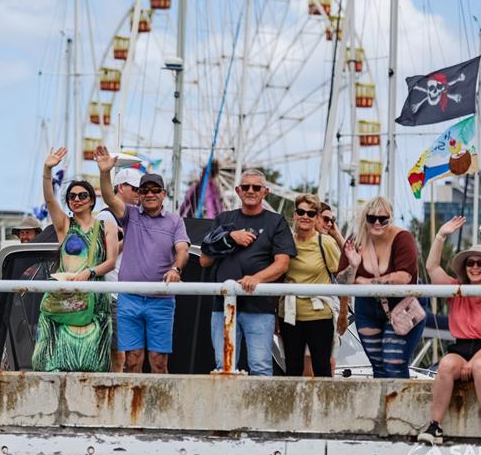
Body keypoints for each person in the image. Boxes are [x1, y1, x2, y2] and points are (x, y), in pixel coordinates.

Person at [95, 145, 190, 374]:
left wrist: (176, 269)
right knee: (132, 361)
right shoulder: (130, 215)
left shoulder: (175, 221)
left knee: (159, 362)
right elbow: (109, 196)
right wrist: (105, 172)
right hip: (130, 298)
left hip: (161, 300)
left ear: (163, 194)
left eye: (155, 189)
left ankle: (159, 409)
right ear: (139, 194)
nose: (149, 194)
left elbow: (182, 250)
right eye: (144, 190)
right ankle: (129, 408)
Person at [418, 216, 481, 447]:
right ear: (465, 267)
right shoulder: (454, 289)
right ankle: (435, 425)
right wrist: (440, 236)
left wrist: (476, 360)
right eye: (471, 263)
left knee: (480, 367)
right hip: (460, 348)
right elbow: (432, 267)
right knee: (446, 365)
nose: (476, 267)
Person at [200, 169, 295, 375]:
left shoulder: (276, 222)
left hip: (259, 307)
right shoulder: (223, 219)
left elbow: (282, 264)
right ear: (237, 190)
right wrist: (229, 237)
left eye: (256, 187)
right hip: (223, 305)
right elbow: (204, 260)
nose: (250, 191)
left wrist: (256, 279)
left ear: (265, 192)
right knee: (224, 367)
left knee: (260, 367)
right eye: (246, 187)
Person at [31, 147, 117, 372]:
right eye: (72, 197)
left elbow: (111, 262)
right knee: (58, 359)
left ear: (91, 201)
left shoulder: (106, 225)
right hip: (65, 297)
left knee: (92, 361)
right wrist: (47, 170)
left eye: (82, 196)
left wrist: (89, 272)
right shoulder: (65, 225)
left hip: (94, 299)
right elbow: (49, 200)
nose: (76, 199)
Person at [336, 196, 423, 378]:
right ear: (364, 218)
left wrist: (368, 282)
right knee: (378, 367)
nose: (377, 223)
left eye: (383, 219)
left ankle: (398, 406)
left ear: (390, 218)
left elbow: (404, 277)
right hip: (366, 308)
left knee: (394, 364)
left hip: (401, 306)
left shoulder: (402, 238)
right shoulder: (355, 241)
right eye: (371, 218)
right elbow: (343, 282)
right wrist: (353, 265)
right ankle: (383, 406)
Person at [278, 194, 344, 377]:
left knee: (322, 368)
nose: (305, 216)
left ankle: (323, 407)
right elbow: (278, 276)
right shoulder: (285, 241)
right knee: (292, 369)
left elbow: (344, 280)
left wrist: (344, 313)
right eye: (301, 212)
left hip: (319, 314)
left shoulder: (326, 243)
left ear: (316, 218)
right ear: (295, 214)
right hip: (290, 314)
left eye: (311, 213)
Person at [96, 167, 142, 373]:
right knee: (117, 353)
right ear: (121, 187)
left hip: (128, 293)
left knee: (126, 352)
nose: (139, 194)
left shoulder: (134, 217)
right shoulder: (105, 217)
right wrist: (126, 238)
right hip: (112, 293)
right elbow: (103, 256)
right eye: (135, 189)